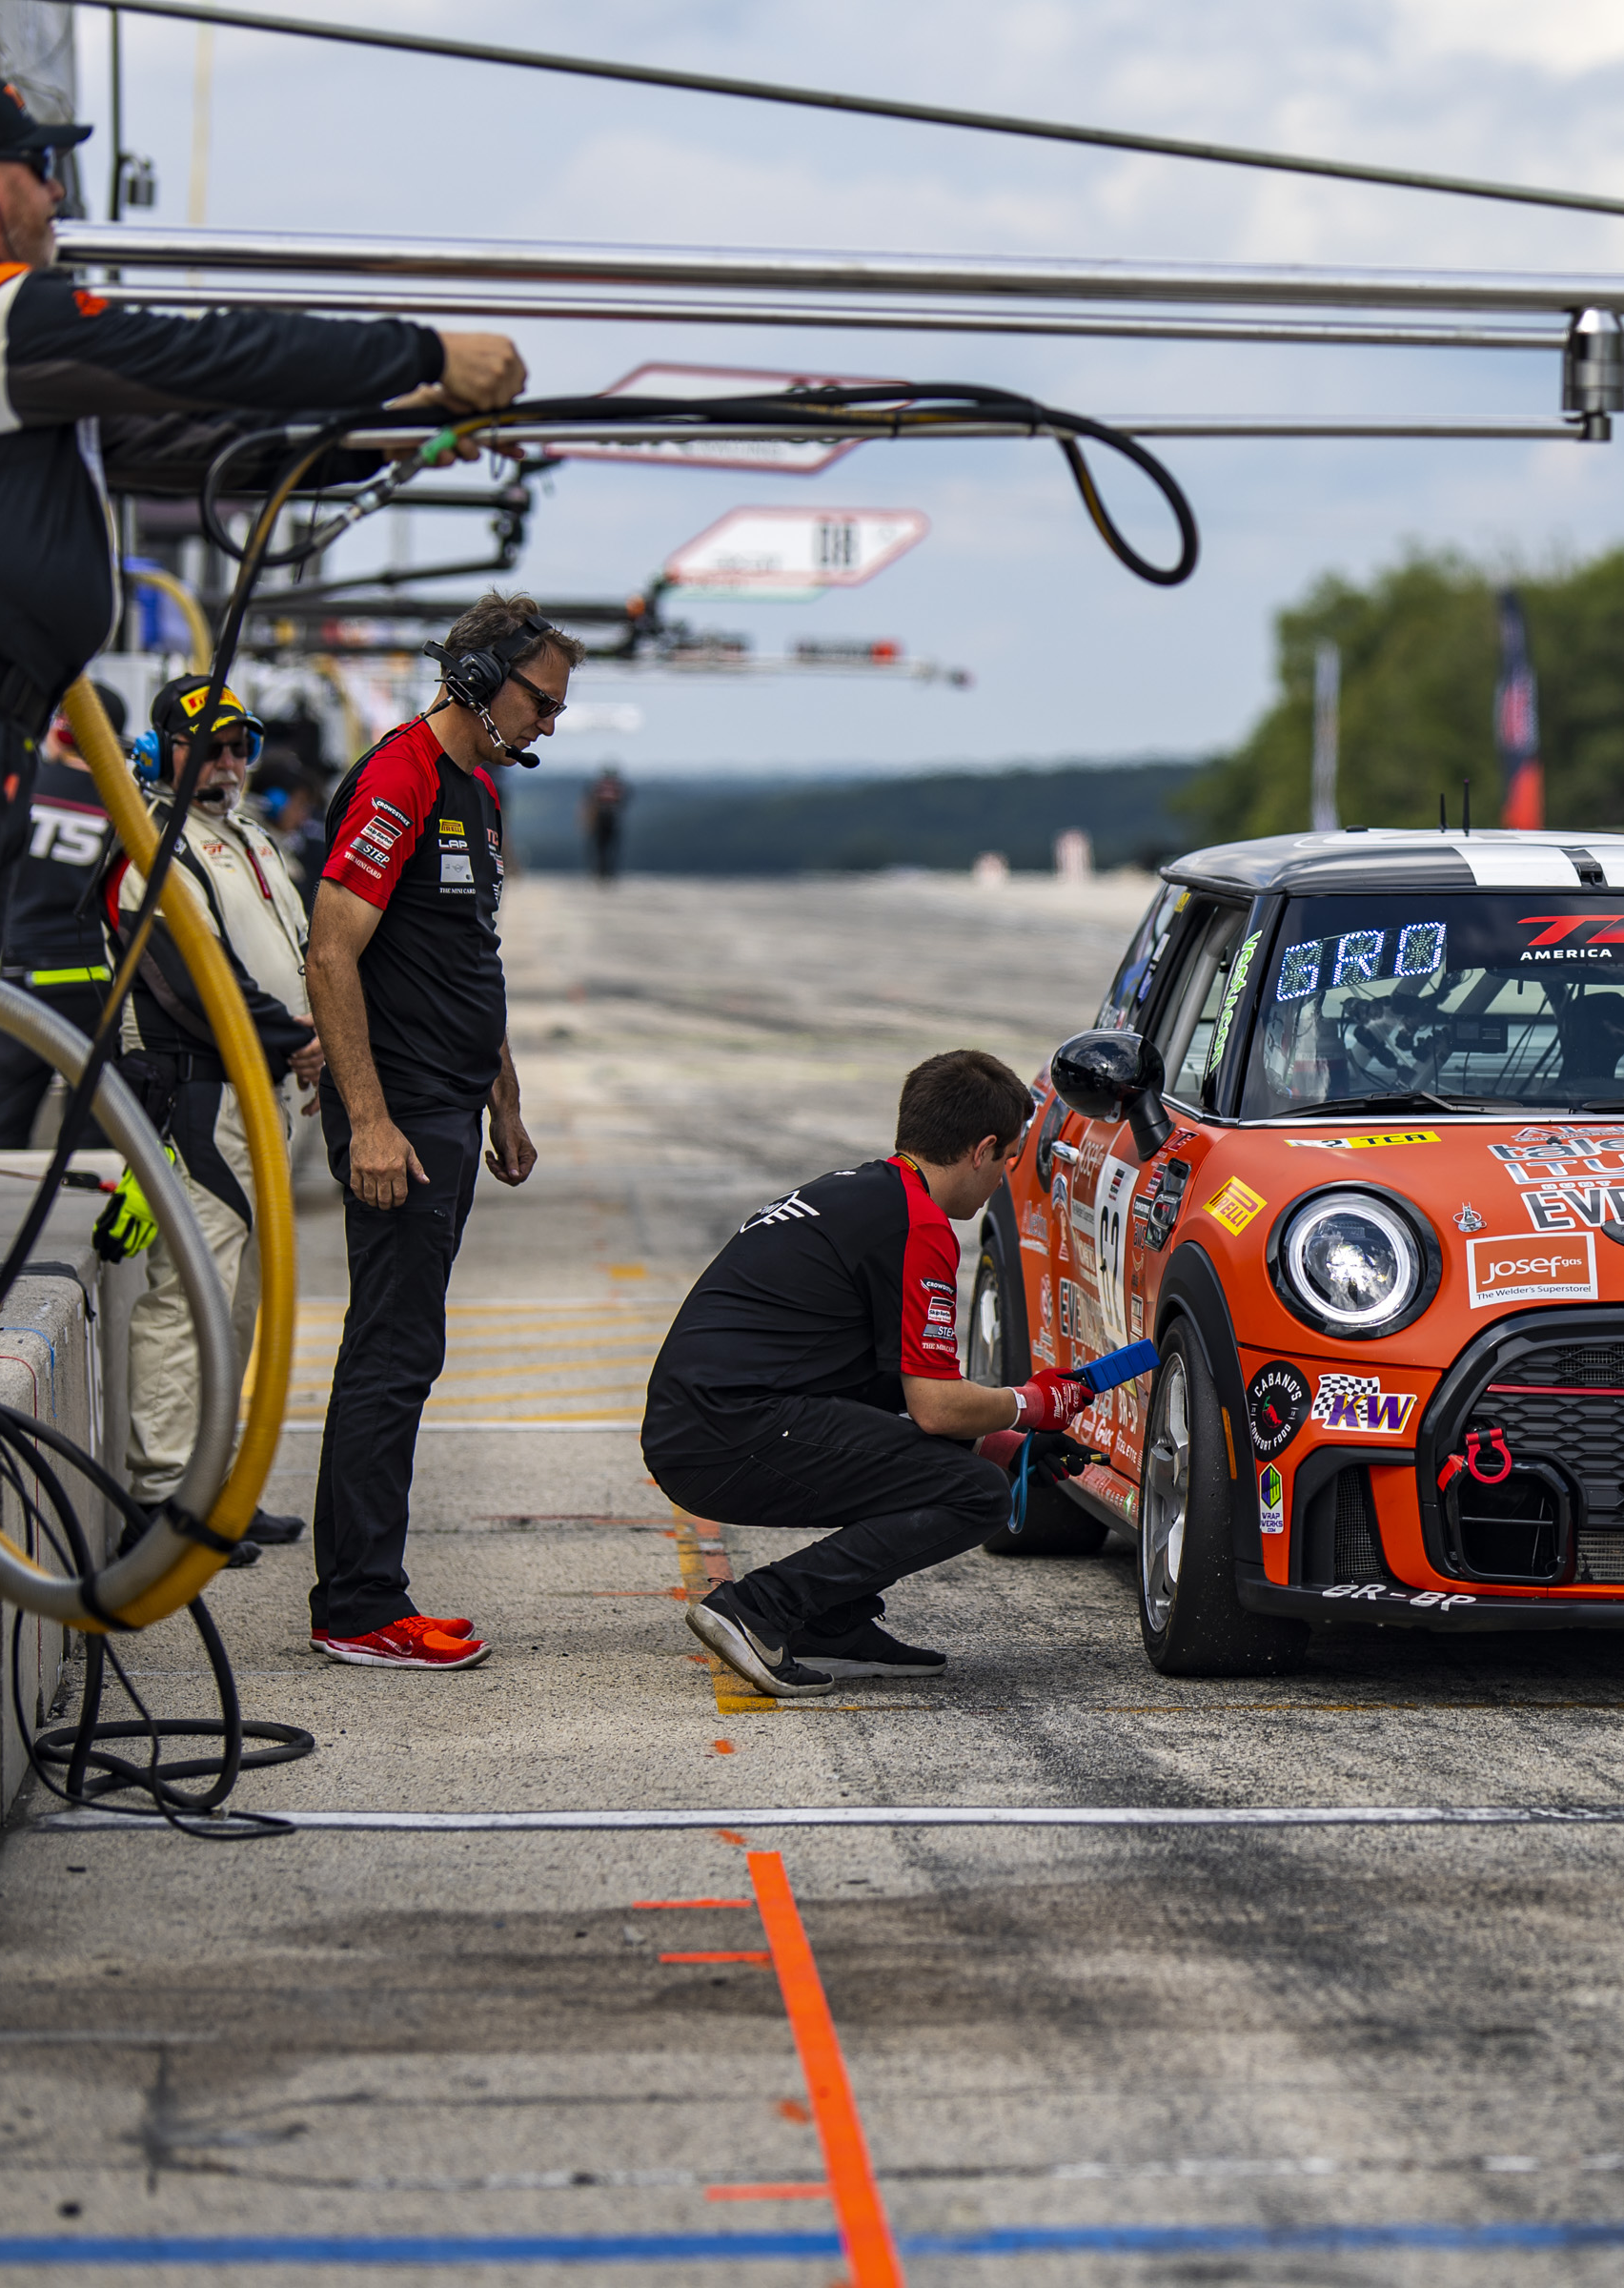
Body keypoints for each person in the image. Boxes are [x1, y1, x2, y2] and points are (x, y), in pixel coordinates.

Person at [0, 66, 524, 1532]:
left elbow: (188, 439)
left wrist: (400, 427)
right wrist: (422, 346)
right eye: (40, 168)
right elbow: (196, 350)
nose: (58, 194)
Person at [302, 592, 569, 1669]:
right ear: (478, 680)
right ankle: (360, 1606)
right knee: (392, 1349)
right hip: (402, 1116)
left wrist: (505, 1098)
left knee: (405, 1347)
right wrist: (369, 1120)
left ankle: (363, 1592)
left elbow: (471, 957)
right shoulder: (399, 777)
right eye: (540, 701)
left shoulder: (477, 792)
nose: (549, 722)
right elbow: (331, 952)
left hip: (452, 1106)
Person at [644, 1052, 1090, 1696]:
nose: (1003, 1179)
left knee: (962, 1467)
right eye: (1007, 1160)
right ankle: (759, 1608)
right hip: (727, 1430)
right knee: (974, 1494)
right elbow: (935, 1408)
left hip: (706, 1422)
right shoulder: (918, 1225)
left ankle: (829, 1623)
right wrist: (1032, 1404)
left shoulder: (859, 1194)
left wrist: (1000, 1442)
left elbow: (881, 1385)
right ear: (982, 1150)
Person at [109, 676, 321, 1554]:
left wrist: (315, 1042)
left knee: (239, 1300)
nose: (227, 762)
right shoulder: (148, 847)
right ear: (160, 753)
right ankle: (164, 1498)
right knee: (188, 1293)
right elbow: (193, 980)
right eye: (207, 747)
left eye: (239, 746)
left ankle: (219, 1487)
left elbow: (297, 952)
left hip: (260, 1092)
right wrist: (296, 1038)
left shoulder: (249, 838)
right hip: (196, 1091)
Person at [0, 681, 128, 1149]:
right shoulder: (129, 807)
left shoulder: (22, 785)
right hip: (98, 984)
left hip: (21, 981)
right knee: (97, 1132)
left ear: (59, 732)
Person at [580, 765, 629, 883]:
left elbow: (590, 801)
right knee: (608, 847)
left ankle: (602, 872)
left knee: (601, 847)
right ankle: (605, 872)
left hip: (602, 818)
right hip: (610, 818)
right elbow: (623, 801)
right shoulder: (616, 787)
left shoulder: (598, 786)